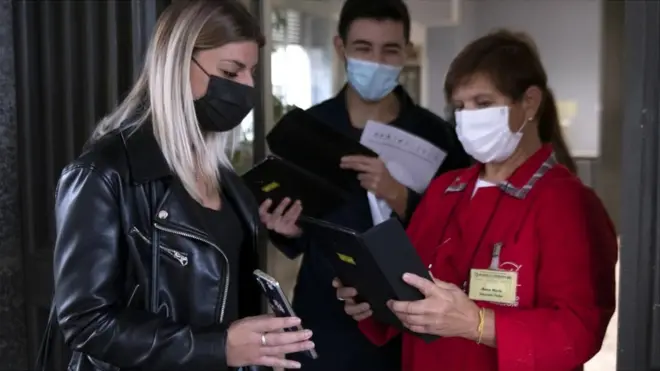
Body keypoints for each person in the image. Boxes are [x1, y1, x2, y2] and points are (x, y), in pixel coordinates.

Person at [51, 1, 314, 370]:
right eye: (230, 71)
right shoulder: (102, 174)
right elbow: (86, 322)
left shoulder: (228, 183)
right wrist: (217, 347)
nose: (247, 87)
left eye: (251, 72)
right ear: (177, 64)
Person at [334, 30, 618, 371]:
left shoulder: (567, 203)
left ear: (529, 102)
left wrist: (478, 324)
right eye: (459, 106)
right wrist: (373, 300)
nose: (467, 117)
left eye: (483, 104)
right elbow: (410, 286)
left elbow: (579, 331)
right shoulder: (445, 191)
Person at [259, 1, 471, 370]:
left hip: (408, 316)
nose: (376, 60)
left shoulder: (439, 137)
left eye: (390, 49)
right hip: (324, 313)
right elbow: (300, 234)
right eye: (363, 48)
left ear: (406, 51)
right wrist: (287, 230)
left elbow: (459, 232)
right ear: (341, 48)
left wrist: (399, 195)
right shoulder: (310, 128)